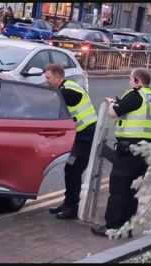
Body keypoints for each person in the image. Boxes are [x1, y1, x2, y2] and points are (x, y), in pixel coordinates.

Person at [91, 68, 151, 237]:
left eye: (131, 79)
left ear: (137, 80)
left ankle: (113, 227)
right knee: (133, 189)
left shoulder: (135, 94)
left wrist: (111, 102)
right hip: (147, 150)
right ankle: (126, 227)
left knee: (119, 188)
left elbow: (113, 112)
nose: (129, 82)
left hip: (130, 149)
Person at [45, 64, 97, 220]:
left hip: (87, 136)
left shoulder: (68, 91)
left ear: (57, 77)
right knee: (70, 170)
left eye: (47, 77)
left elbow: (51, 105)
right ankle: (68, 204)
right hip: (81, 135)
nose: (45, 80)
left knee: (73, 170)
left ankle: (72, 208)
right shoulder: (67, 87)